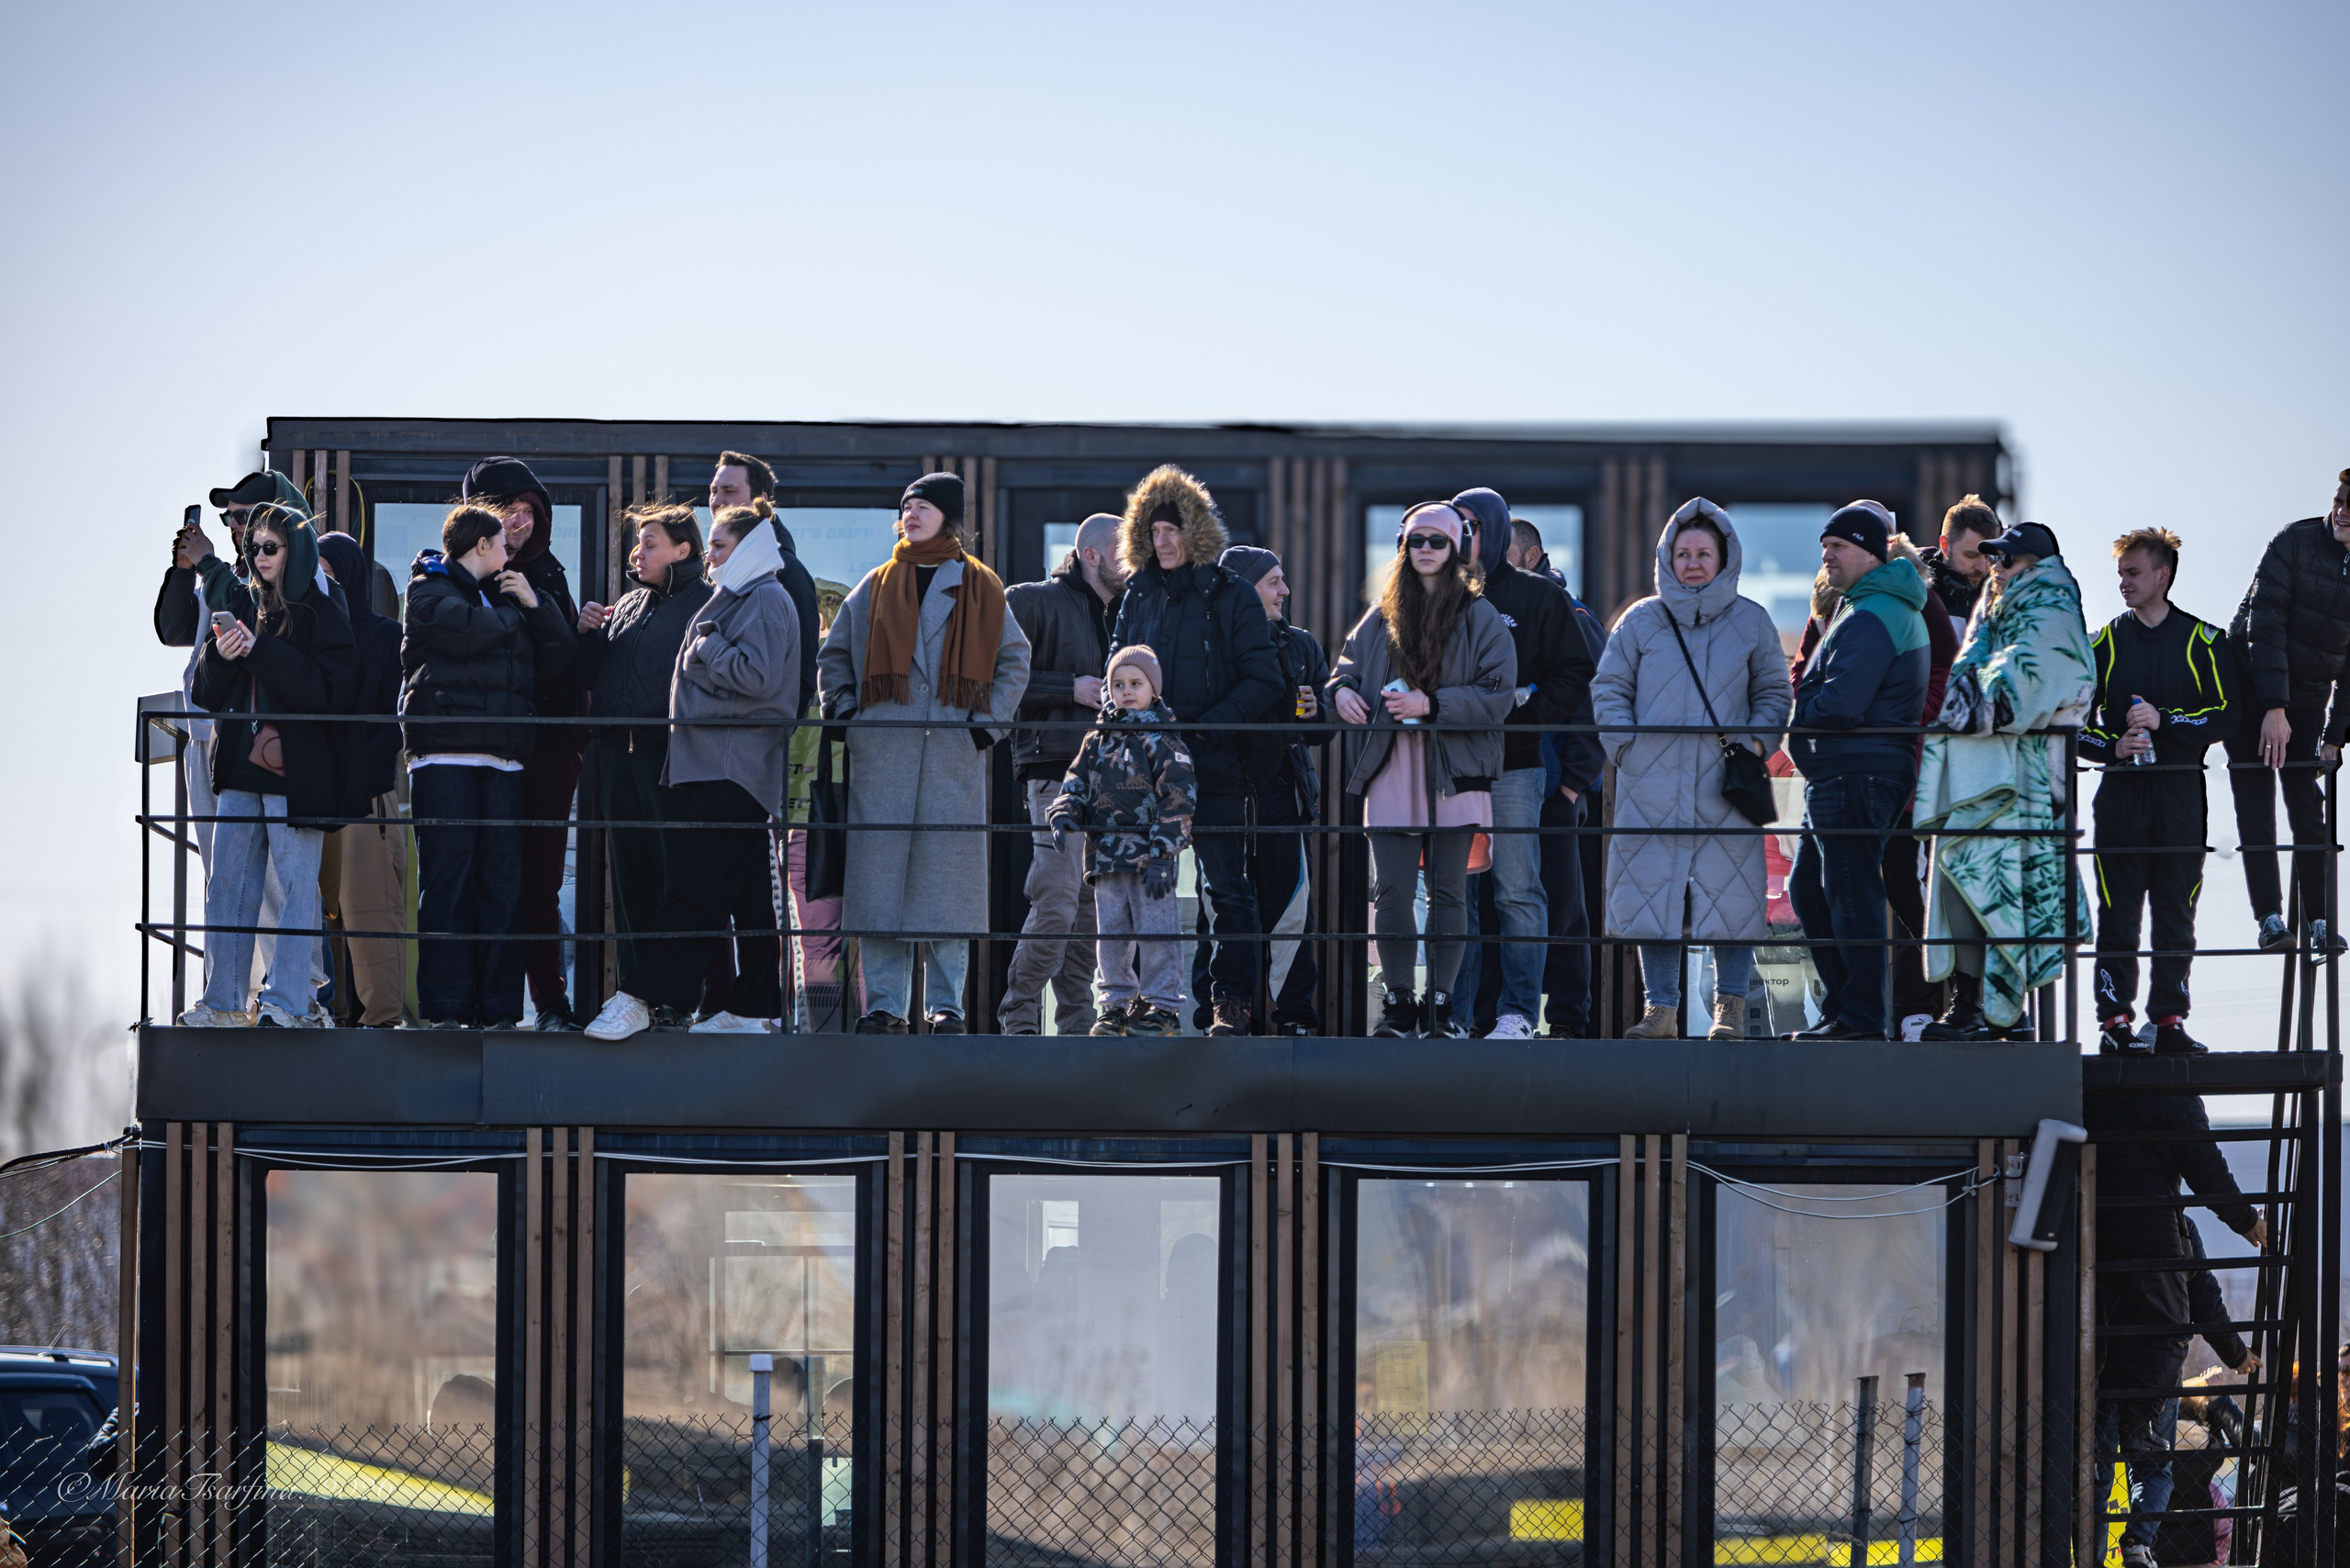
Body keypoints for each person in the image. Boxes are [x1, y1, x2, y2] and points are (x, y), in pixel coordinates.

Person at [817, 472, 1030, 1034]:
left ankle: (946, 1007)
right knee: (880, 890)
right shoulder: (875, 584)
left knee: (948, 892)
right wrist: (849, 718)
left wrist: (985, 728)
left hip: (951, 756)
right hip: (883, 755)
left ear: (948, 518)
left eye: (923, 507)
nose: (910, 515)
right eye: (906, 507)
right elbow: (833, 658)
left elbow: (1015, 660)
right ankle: (885, 1007)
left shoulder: (981, 586)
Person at [591, 506, 801, 1037]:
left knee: (693, 888)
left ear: (750, 548)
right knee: (748, 895)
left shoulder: (764, 598)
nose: (710, 555)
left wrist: (706, 645)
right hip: (722, 764)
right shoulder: (741, 596)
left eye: (720, 545)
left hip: (731, 766)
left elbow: (757, 676)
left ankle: (641, 996)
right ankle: (755, 1007)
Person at [1592, 499, 1789, 1041]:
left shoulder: (1752, 620)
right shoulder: (1640, 620)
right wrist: (1626, 749)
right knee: (1651, 897)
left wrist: (1754, 744)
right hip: (1650, 783)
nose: (1693, 563)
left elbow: (1774, 692)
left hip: (1726, 784)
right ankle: (1661, 1011)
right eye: (1683, 554)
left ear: (1724, 557)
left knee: (1733, 896)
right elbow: (1609, 688)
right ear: (1667, 558)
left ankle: (1730, 1010)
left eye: (1704, 553)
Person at [1109, 466, 1287, 1036]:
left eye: (1173, 529)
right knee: (1136, 888)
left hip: (1212, 764)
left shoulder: (1231, 594)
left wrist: (1207, 728)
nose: (1162, 541)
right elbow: (1115, 671)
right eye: (1154, 531)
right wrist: (1124, 728)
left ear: (1196, 531)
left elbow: (1264, 679)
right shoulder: (1137, 592)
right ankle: (1143, 1005)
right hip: (1143, 768)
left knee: (1226, 889)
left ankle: (1230, 1003)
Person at [1329, 500, 1516, 1038]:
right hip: (1390, 766)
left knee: (1448, 892)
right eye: (1416, 541)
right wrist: (1341, 693)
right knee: (1390, 892)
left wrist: (1431, 705)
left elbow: (1498, 693)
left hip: (1454, 770)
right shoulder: (1381, 614)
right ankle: (1398, 1003)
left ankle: (1440, 1006)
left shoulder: (1481, 616)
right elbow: (1344, 670)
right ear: (1403, 547)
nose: (1426, 550)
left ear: (1458, 548)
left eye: (1437, 541)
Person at [181, 506, 361, 1027]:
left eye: (271, 548)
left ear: (294, 551)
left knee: (298, 889)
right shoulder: (240, 603)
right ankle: (223, 1003)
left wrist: (258, 652)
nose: (259, 556)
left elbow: (333, 690)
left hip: (296, 776)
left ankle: (288, 1002)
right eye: (254, 547)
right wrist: (221, 655)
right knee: (227, 887)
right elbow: (205, 694)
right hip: (239, 773)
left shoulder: (323, 611)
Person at [399, 504, 576, 1029]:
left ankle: (499, 1011)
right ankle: (447, 1012)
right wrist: (518, 613)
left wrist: (537, 605)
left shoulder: (510, 595)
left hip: (504, 759)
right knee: (447, 885)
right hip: (443, 757)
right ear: (481, 545)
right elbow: (467, 632)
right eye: (501, 543)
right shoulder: (426, 590)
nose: (509, 552)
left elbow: (560, 656)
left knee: (502, 885)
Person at [1918, 521, 2096, 1038]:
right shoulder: (1998, 611)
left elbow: (2006, 698)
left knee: (2006, 893)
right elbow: (1971, 689)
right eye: (1993, 558)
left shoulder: (2053, 613)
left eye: (2007, 559)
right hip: (1987, 783)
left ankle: (1999, 1013)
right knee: (1966, 885)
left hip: (2027, 788)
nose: (1995, 567)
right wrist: (1969, 695)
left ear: (2038, 566)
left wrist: (1966, 697)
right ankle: (1974, 1006)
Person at [2085, 1079, 2266, 1568]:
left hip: (2103, 1366)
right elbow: (2204, 1296)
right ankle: (2138, 1542)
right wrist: (2235, 1353)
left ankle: (2089, 1552)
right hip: (2154, 1366)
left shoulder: (2095, 1231)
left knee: (2097, 1467)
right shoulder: (2180, 1232)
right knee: (2152, 1465)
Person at [1790, 532, 1957, 1041]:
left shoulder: (1877, 610)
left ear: (1871, 555)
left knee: (1851, 893)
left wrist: (1801, 712)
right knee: (1813, 890)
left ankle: (1862, 1018)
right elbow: (1820, 678)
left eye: (1838, 546)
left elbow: (1841, 701)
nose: (1827, 555)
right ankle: (1847, 1010)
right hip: (1847, 769)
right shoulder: (1861, 604)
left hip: (1859, 770)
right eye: (1824, 545)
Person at [2080, 527, 2237, 1056]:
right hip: (2120, 799)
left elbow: (2228, 717)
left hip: (2180, 797)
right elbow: (2071, 724)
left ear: (2162, 575)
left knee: (2176, 911)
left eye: (2133, 572)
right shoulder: (2101, 644)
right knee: (2117, 912)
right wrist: (2113, 747)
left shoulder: (2205, 641)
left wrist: (2164, 721)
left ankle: (2169, 1022)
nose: (2123, 583)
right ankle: (2114, 1024)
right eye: (2120, 574)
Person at [1449, 488, 1595, 1040]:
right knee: (1457, 894)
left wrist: (1530, 716)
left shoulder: (1540, 596)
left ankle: (1519, 1015)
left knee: (1519, 890)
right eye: (1455, 525)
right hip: (1452, 766)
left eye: (1472, 525)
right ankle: (1459, 1016)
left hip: (1519, 765)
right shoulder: (1433, 592)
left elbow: (1579, 675)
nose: (1463, 536)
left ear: (1494, 529)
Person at [570, 506, 713, 1038]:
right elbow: (589, 677)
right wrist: (586, 633)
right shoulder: (628, 603)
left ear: (683, 549)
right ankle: (636, 996)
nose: (638, 552)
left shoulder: (708, 602)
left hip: (670, 757)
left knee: (675, 881)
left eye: (650, 543)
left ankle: (675, 1000)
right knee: (630, 882)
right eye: (638, 543)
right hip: (614, 754)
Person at [457, 458, 585, 1027]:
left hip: (548, 749)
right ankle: (482, 1005)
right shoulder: (453, 574)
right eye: (509, 510)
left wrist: (549, 613)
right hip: (481, 748)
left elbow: (565, 664)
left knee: (539, 884)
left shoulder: (549, 574)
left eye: (530, 512)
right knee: (478, 877)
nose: (522, 522)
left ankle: (550, 1004)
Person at [999, 513, 1127, 1036]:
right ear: (1092, 556)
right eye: (1123, 551)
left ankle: (1075, 1030)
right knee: (1057, 900)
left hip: (1110, 779)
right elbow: (995, 679)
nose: (1134, 561)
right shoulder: (1030, 600)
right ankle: (1018, 1021)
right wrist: (1068, 687)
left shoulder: (1127, 613)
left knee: (1089, 910)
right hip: (1053, 771)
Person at [1205, 543, 1334, 1036]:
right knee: (1221, 908)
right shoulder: (1206, 642)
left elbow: (1321, 730)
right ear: (1243, 588)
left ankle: (1295, 1017)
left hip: (1282, 791)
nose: (1286, 590)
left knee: (1291, 909)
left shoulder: (1301, 644)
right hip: (1222, 791)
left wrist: (1316, 714)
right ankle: (1220, 1010)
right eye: (1273, 582)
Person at [2225, 468, 2350, 957]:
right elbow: (2265, 623)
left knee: (2306, 808)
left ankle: (2319, 921)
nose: (2341, 512)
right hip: (2251, 685)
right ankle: (2270, 920)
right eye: (2339, 500)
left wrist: (2335, 737)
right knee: (2256, 804)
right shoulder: (2294, 542)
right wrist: (2273, 707)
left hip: (2309, 697)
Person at [1045, 644, 1197, 1036]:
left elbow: (1178, 799)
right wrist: (1062, 813)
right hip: (1105, 857)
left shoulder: (1164, 741)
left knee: (1157, 934)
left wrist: (1163, 854)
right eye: (1118, 684)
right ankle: (1114, 1006)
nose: (1126, 691)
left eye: (1136, 683)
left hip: (1151, 861)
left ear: (1154, 689)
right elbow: (1076, 783)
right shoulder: (1097, 740)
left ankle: (1163, 1009)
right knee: (1110, 936)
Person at [1516, 518, 1610, 1037]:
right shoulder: (1497, 610)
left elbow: (1597, 701)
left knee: (1564, 906)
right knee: (1507, 903)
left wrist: (1572, 784)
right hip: (1509, 781)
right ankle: (1508, 1015)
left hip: (1557, 788)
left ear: (1531, 557)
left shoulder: (1572, 614)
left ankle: (1569, 1022)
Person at [315, 532, 408, 1027]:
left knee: (371, 914)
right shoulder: (307, 636)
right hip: (314, 801)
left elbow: (394, 725)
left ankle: (381, 1023)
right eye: (314, 574)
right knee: (317, 918)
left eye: (329, 574)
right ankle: (330, 1013)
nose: (321, 584)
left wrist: (350, 778)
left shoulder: (387, 636)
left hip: (366, 797)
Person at [711, 450, 822, 717]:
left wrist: (776, 730)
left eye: (728, 491)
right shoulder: (712, 565)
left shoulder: (785, 570)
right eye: (713, 491)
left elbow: (803, 665)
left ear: (760, 499)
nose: (716, 501)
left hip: (755, 733)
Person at [1919, 493, 2000, 642]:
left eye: (1989, 557)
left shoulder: (2001, 597)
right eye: (1971, 555)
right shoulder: (1912, 591)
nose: (1982, 568)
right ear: (1945, 545)